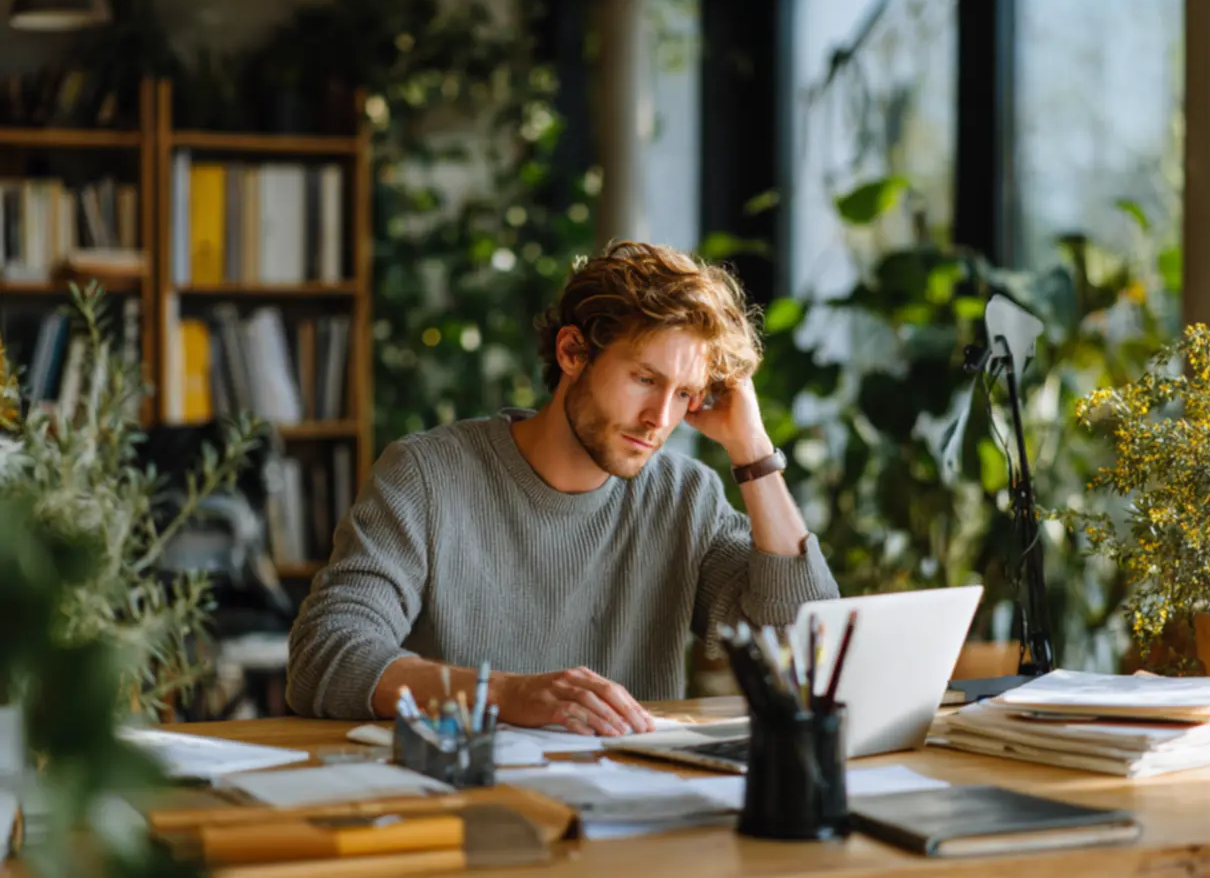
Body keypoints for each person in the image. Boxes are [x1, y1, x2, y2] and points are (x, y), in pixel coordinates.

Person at [286, 241, 839, 734]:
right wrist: (504, 695)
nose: (660, 419)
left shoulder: (684, 498)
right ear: (573, 352)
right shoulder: (428, 476)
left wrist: (754, 454)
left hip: (633, 811)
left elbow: (803, 652)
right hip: (464, 806)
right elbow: (327, 653)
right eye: (645, 379)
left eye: (684, 394)